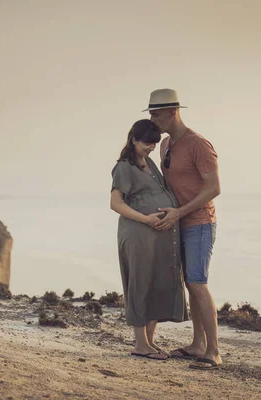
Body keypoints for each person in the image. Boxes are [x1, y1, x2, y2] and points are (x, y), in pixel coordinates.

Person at [143, 88, 222, 370]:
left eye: (156, 113)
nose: (152, 118)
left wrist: (180, 213)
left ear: (173, 112)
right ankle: (197, 344)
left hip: (199, 222)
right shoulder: (165, 145)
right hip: (176, 223)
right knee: (189, 283)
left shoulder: (198, 144)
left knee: (197, 282)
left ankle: (213, 351)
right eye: (150, 113)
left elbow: (214, 188)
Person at [110, 119, 189, 361]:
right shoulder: (124, 167)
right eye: (147, 143)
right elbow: (116, 203)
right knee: (141, 282)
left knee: (157, 282)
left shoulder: (150, 162)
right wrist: (146, 219)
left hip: (158, 234)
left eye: (154, 144)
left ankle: (150, 341)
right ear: (133, 139)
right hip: (138, 234)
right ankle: (140, 344)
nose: (151, 147)